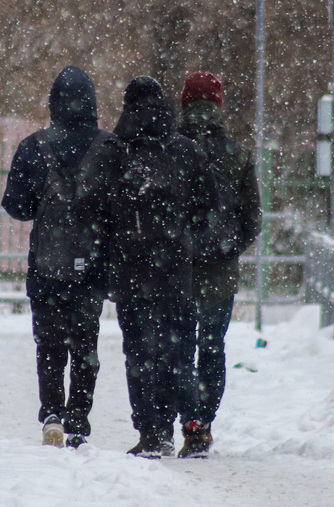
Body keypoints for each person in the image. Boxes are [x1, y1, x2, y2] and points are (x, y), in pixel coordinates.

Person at [1, 66, 116, 449]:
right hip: (92, 267)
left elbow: (16, 207)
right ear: (92, 102)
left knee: (49, 345)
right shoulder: (109, 147)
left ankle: (52, 413)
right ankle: (79, 421)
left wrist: (42, 202)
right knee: (86, 347)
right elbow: (121, 207)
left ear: (53, 102)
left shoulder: (34, 147)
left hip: (47, 265)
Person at [106, 76, 220, 458]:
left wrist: (118, 242)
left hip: (131, 266)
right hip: (176, 266)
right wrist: (186, 235)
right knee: (178, 350)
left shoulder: (115, 150)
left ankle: (152, 432)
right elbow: (208, 205)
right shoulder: (187, 150)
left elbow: (99, 209)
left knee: (139, 351)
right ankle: (192, 426)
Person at [175, 71, 263, 457]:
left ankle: (189, 419)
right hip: (219, 274)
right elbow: (252, 220)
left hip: (176, 270)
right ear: (219, 105)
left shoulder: (170, 149)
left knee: (179, 349)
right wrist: (227, 249)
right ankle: (204, 424)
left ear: (183, 104)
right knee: (212, 347)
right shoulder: (239, 154)